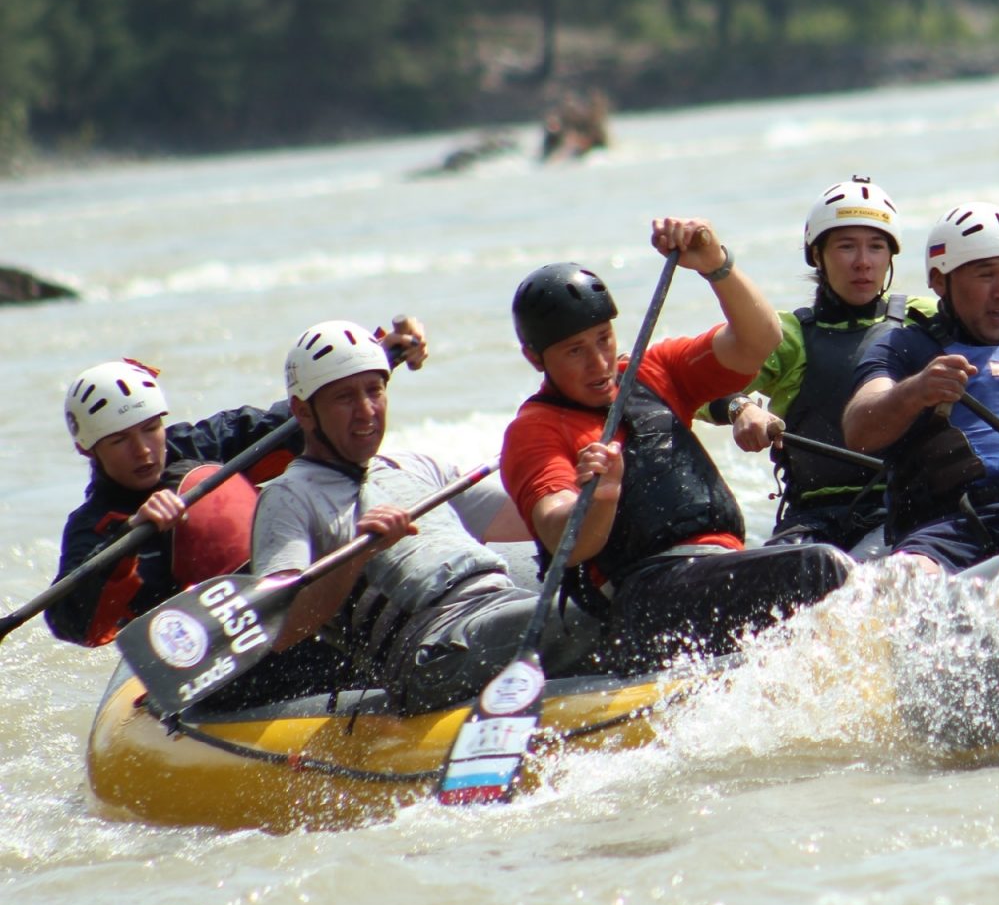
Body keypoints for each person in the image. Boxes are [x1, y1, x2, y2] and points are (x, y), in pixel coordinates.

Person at [499, 217, 853, 666]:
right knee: (819, 567)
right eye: (575, 351)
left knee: (825, 563)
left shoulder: (650, 373)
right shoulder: (534, 430)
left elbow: (760, 341)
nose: (598, 362)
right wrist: (603, 493)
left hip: (711, 573)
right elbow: (561, 534)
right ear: (535, 358)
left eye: (603, 339)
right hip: (645, 601)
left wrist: (715, 265)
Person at [248, 320, 601, 713]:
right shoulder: (288, 496)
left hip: (500, 607)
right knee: (599, 617)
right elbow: (278, 629)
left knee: (622, 596)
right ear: (304, 412)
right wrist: (356, 555)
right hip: (433, 649)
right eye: (344, 398)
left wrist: (597, 484)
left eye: (374, 391)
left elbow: (539, 518)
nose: (366, 411)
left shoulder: (416, 466)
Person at [45, 320, 427, 646]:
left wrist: (373, 356)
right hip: (206, 647)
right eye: (120, 441)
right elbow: (72, 624)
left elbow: (302, 420)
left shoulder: (197, 447)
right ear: (89, 451)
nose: (144, 451)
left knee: (202, 478)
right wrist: (130, 535)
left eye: (150, 429)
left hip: (283, 605)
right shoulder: (93, 526)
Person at [842, 202, 999, 571]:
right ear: (941, 281)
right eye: (986, 275)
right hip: (938, 528)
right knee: (909, 576)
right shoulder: (904, 346)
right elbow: (858, 427)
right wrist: (915, 392)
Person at [710, 176, 936, 550]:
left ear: (890, 257)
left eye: (876, 247)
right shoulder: (787, 336)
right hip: (811, 517)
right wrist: (741, 407)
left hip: (902, 510)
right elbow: (699, 387)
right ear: (817, 255)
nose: (863, 263)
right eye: (847, 247)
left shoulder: (922, 320)